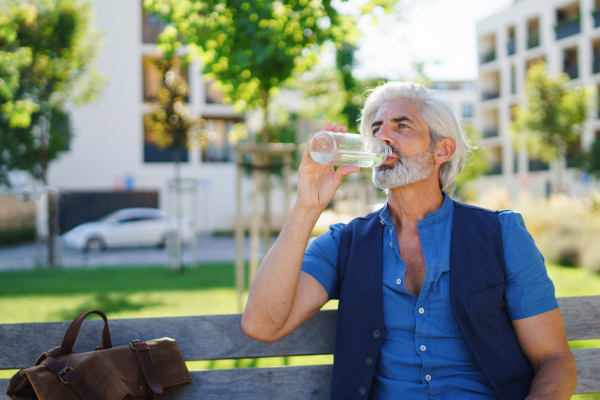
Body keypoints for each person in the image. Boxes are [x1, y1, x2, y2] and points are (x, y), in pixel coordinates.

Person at [241, 81, 576, 399]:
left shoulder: (501, 235)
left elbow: (554, 358)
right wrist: (306, 206)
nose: (382, 136)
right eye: (376, 128)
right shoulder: (344, 243)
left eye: (402, 126)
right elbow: (261, 325)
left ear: (442, 150)